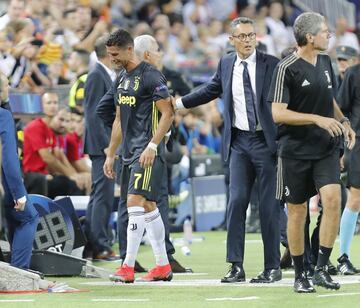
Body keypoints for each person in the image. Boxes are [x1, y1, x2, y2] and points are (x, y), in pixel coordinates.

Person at [173, 17, 281, 283]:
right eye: (241, 36)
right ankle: (236, 266)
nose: (247, 41)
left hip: (266, 143)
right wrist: (179, 103)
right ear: (231, 40)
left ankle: (272, 267)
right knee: (236, 203)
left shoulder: (271, 64)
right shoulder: (226, 63)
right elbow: (211, 90)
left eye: (250, 35)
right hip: (239, 143)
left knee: (268, 207)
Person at [270, 12, 356, 293]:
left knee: (333, 200)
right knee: (297, 211)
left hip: (325, 148)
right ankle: (299, 274)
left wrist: (343, 121)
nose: (329, 36)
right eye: (324, 32)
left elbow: (328, 98)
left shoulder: (327, 62)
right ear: (309, 37)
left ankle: (320, 267)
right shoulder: (286, 67)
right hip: (294, 150)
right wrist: (316, 119)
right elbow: (278, 113)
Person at [103, 29, 174, 283]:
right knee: (147, 206)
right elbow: (119, 120)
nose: (112, 58)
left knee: (133, 202)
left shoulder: (151, 75)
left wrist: (153, 146)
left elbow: (168, 113)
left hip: (147, 152)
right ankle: (163, 265)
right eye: (109, 54)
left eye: (115, 54)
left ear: (129, 49)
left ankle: (127, 266)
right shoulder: (121, 78)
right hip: (129, 152)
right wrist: (111, 154)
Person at [83, 35, 116, 260]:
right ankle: (100, 246)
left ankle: (96, 244)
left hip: (104, 146)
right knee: (102, 195)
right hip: (101, 147)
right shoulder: (96, 75)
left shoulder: (104, 74)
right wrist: (107, 147)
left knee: (101, 195)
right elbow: (94, 115)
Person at [0, 72, 38, 269]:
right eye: (6, 85)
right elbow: (8, 160)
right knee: (29, 217)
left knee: (13, 218)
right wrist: (19, 194)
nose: (9, 89)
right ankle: (18, 272)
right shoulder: (3, 116)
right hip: (5, 185)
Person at [336, 62, 360, 275]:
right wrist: (342, 149)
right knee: (355, 199)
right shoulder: (353, 73)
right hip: (359, 143)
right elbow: (340, 111)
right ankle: (343, 256)